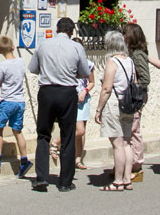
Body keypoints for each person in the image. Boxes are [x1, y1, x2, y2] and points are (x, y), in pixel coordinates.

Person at [27, 17, 91, 192]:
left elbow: (32, 68)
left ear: (57, 29)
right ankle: (65, 182)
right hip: (67, 92)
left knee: (43, 134)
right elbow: (85, 72)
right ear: (71, 32)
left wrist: (48, 69)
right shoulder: (76, 47)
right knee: (68, 135)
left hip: (47, 91)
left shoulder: (43, 44)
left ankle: (41, 178)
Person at [0, 35, 33, 178]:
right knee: (17, 130)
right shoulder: (21, 62)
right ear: (12, 47)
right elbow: (11, 72)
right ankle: (24, 160)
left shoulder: (3, 66)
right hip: (19, 102)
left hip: (7, 101)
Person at [94, 30, 136, 191]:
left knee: (117, 144)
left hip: (114, 103)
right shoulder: (130, 61)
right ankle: (127, 178)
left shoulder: (112, 62)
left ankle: (118, 181)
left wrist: (98, 109)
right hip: (128, 104)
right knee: (127, 143)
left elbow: (106, 88)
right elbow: (135, 82)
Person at [50, 37, 94, 170]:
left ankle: (78, 158)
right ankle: (56, 142)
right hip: (71, 99)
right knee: (79, 131)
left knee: (82, 131)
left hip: (83, 99)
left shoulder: (89, 64)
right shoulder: (67, 64)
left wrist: (85, 91)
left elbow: (92, 82)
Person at [122, 23, 153, 181]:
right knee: (131, 129)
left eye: (125, 34)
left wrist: (134, 88)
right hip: (135, 95)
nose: (123, 36)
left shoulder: (138, 54)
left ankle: (137, 164)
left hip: (137, 96)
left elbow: (145, 79)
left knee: (134, 130)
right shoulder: (133, 52)